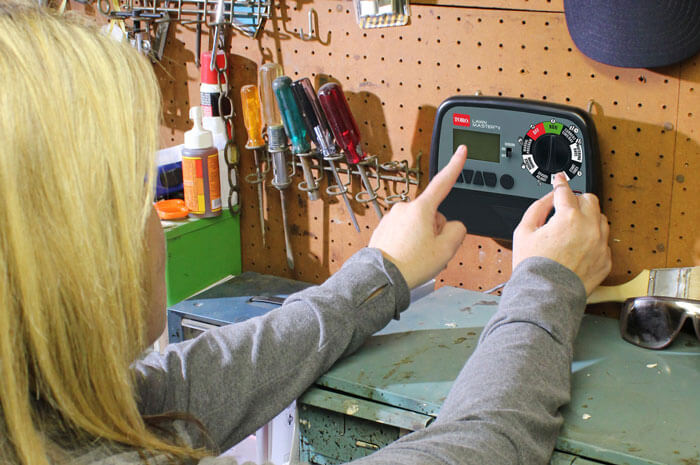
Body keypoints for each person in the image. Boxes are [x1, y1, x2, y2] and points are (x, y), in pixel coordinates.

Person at [0, 2, 611, 465]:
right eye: (140, 196)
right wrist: (547, 288)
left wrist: (380, 273)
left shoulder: (41, 412)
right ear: (71, 259)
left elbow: (190, 381)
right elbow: (483, 444)